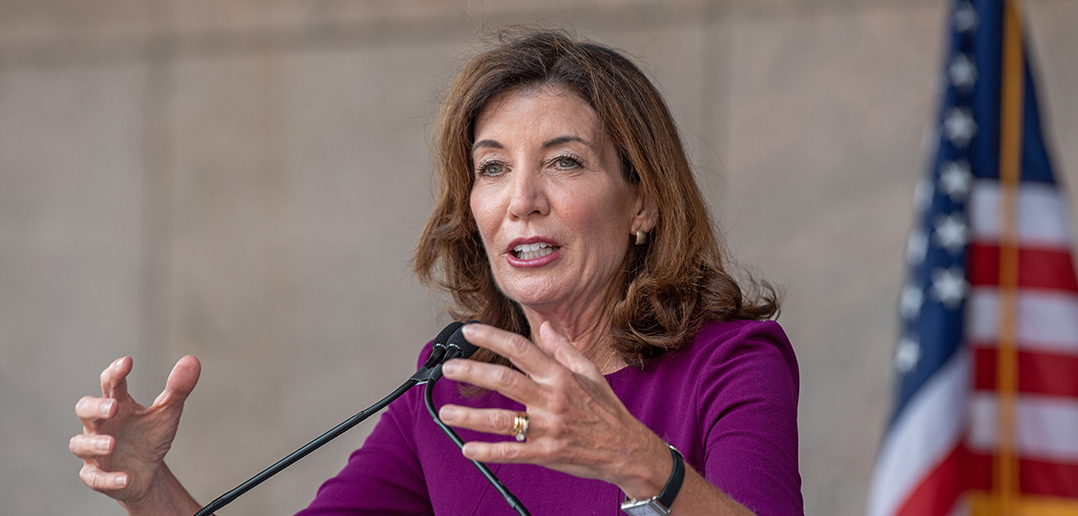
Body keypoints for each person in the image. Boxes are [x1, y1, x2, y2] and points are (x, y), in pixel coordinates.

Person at [71, 28, 802, 516]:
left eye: (565, 162)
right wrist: (149, 490)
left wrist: (641, 464)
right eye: (492, 169)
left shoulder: (729, 364)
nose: (522, 201)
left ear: (641, 201)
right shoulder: (450, 386)